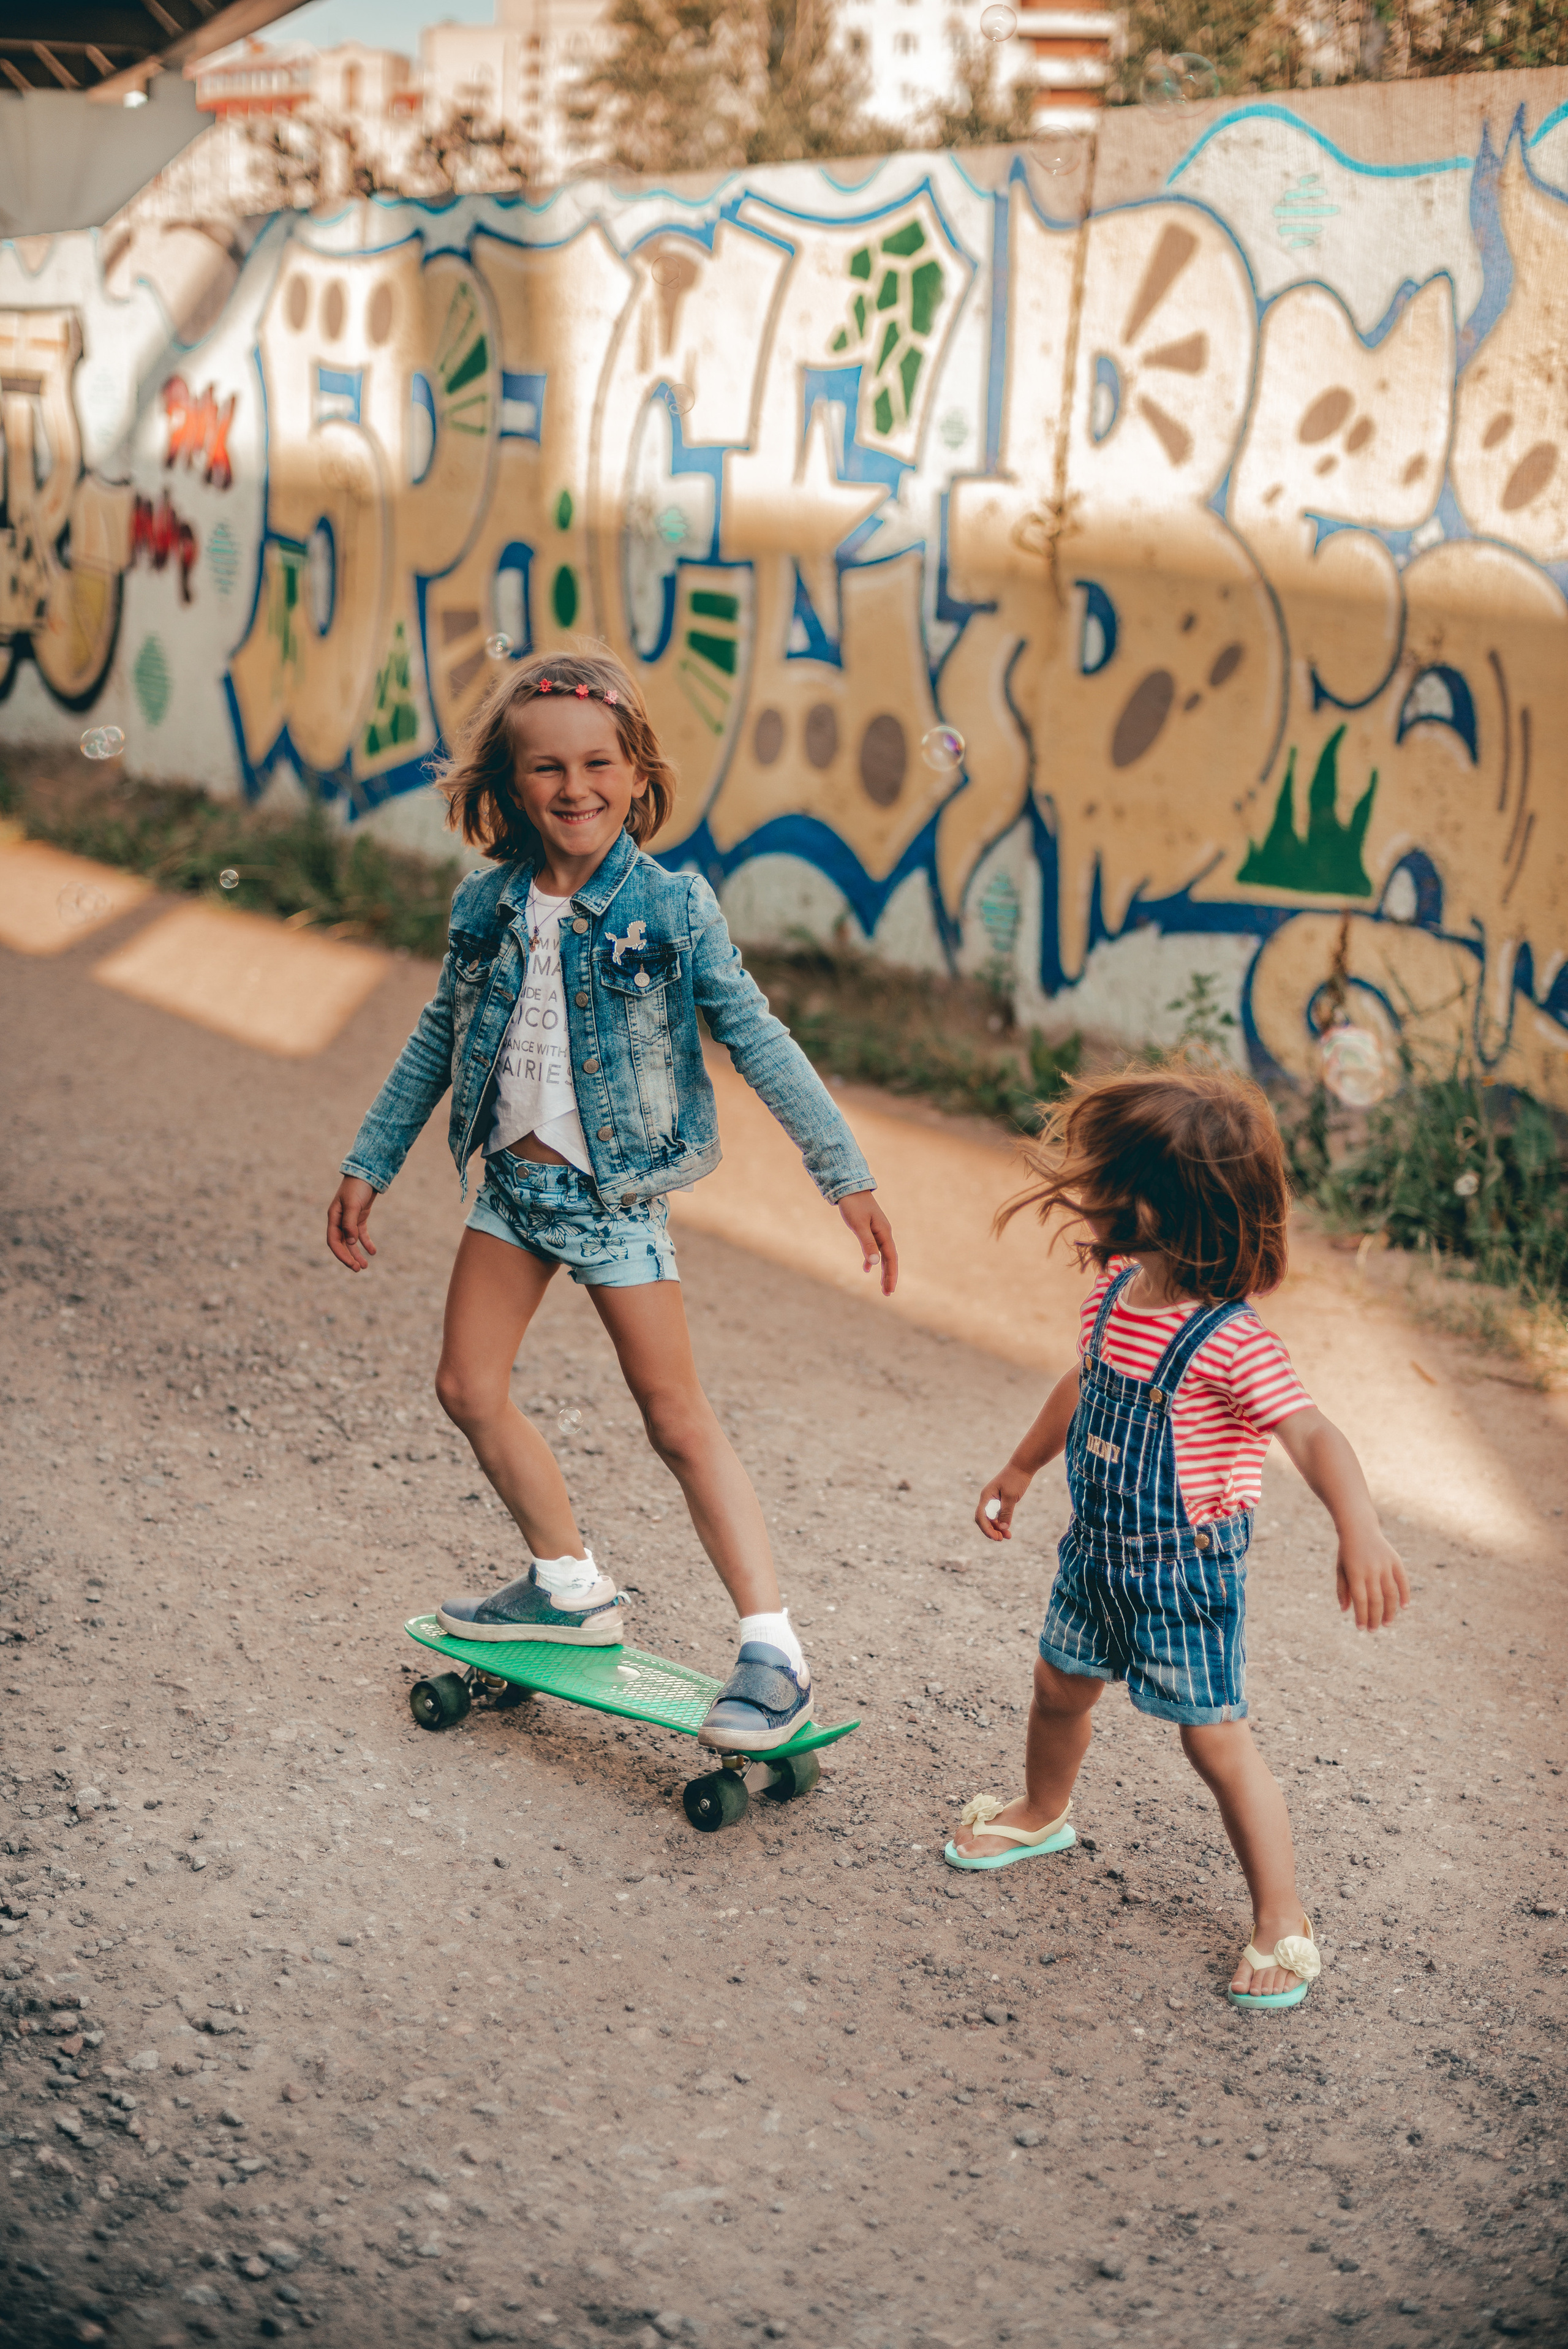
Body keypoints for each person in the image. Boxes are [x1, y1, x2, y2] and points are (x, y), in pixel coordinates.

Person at [325, 647, 897, 1752]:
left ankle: (776, 1650)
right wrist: (373, 1159)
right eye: (546, 768)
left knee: (676, 1421)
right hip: (514, 1189)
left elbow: (756, 1036)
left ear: (639, 774)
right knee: (467, 1385)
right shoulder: (489, 903)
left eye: (599, 763)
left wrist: (846, 1175)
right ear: (507, 784)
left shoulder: (673, 907)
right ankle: (567, 1585)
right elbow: (440, 1035)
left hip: (618, 1200)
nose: (574, 787)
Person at [948, 1062, 1409, 2009]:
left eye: (1105, 1181)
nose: (1084, 1194)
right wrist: (1024, 1464)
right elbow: (1084, 1385)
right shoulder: (1117, 1290)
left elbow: (1313, 1433)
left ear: (1160, 1208)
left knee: (1215, 1742)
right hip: (1097, 1557)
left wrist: (1356, 1526)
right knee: (1058, 1687)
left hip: (1183, 1578)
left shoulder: (1234, 1342)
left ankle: (1283, 1918)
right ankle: (1041, 1811)